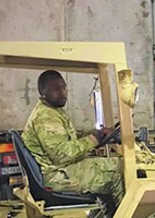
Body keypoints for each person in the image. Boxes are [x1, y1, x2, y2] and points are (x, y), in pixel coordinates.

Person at [21, 70, 124, 203]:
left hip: (60, 170)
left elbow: (69, 138)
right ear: (43, 92)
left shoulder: (52, 111)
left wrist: (95, 133)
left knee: (108, 169)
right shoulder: (46, 118)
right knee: (120, 170)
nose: (63, 92)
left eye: (64, 87)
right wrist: (94, 139)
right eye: (56, 89)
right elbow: (62, 154)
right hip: (57, 176)